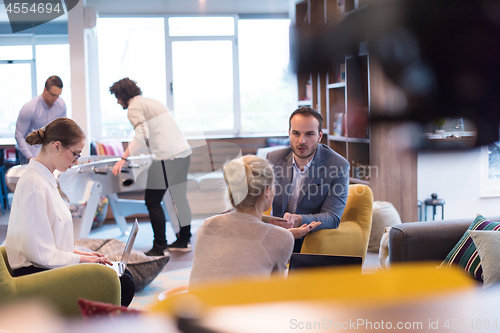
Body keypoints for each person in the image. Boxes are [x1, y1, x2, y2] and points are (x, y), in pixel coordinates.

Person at [5, 118, 135, 306]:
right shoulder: (34, 184)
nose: (75, 162)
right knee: (122, 283)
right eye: (75, 154)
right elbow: (39, 253)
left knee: (124, 275)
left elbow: (50, 242)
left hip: (44, 266)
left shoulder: (45, 178)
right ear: (56, 146)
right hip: (34, 274)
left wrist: (88, 257)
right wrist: (82, 259)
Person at [189, 155, 320, 287]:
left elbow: (237, 246)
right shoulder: (282, 238)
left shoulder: (208, 225)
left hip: (195, 306)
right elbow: (276, 289)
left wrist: (280, 234)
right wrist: (282, 236)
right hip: (245, 307)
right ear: (267, 192)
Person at [109, 78, 193, 255]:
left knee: (152, 201)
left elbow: (141, 134)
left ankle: (159, 246)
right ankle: (184, 240)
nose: (117, 101)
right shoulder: (152, 102)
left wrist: (123, 158)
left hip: (167, 157)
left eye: (117, 96)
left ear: (124, 95)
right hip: (183, 152)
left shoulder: (133, 107)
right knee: (179, 199)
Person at [267, 107, 350, 253]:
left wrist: (299, 220)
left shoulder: (338, 165)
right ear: (289, 133)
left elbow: (332, 217)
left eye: (309, 134)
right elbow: (256, 197)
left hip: (310, 239)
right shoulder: (274, 158)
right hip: (276, 236)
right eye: (296, 133)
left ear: (319, 136)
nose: (302, 141)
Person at [15, 75, 66, 164]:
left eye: (58, 95)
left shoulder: (61, 105)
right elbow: (19, 136)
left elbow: (62, 130)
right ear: (45, 89)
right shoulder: (29, 108)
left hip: (50, 155)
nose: (55, 98)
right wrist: (30, 158)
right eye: (53, 95)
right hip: (30, 154)